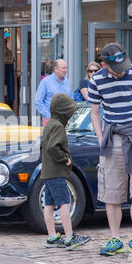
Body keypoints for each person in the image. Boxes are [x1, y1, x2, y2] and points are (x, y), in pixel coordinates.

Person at [88, 43, 132, 259]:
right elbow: (94, 112)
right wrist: (101, 138)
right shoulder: (97, 80)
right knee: (111, 192)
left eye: (123, 64)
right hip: (113, 137)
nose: (121, 70)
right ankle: (115, 238)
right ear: (104, 65)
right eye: (116, 67)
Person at [40, 93, 91, 250]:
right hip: (57, 172)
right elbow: (52, 147)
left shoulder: (49, 124)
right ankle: (69, 237)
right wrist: (65, 159)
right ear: (64, 112)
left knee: (48, 205)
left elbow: (43, 147)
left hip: (47, 172)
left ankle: (52, 236)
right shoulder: (59, 126)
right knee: (65, 203)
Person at [35, 59, 73, 126]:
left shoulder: (67, 82)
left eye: (66, 68)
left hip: (65, 120)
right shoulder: (46, 82)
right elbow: (38, 102)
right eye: (63, 68)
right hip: (50, 120)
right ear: (55, 69)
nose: (66, 70)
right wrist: (48, 116)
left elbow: (71, 101)